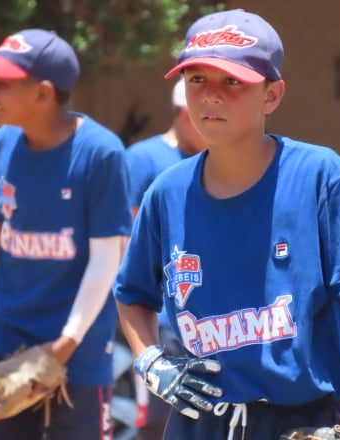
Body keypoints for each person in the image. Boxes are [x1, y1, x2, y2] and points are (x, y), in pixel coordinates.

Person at [113, 8, 340, 440]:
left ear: (271, 94)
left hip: (303, 421)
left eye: (232, 81)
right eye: (197, 79)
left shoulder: (318, 176)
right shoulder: (166, 193)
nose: (211, 95)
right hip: (200, 422)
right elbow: (131, 294)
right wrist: (150, 359)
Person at [0, 29, 132, 439]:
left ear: (43, 93)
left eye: (3, 82)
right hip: (6, 341)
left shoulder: (99, 153)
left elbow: (107, 259)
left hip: (76, 356)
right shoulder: (3, 144)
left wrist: (64, 346)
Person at [125, 77, 207, 440]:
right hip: (162, 307)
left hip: (206, 307)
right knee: (159, 416)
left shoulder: (215, 160)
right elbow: (129, 239)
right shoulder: (143, 158)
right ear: (186, 114)